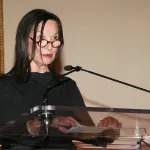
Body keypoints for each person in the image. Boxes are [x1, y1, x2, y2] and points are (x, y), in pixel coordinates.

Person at [0, 9, 121, 149]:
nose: (50, 46)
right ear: (24, 40)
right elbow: (4, 131)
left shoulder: (67, 85)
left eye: (55, 39)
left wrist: (106, 131)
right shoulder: (5, 85)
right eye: (41, 38)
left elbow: (86, 132)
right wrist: (38, 124)